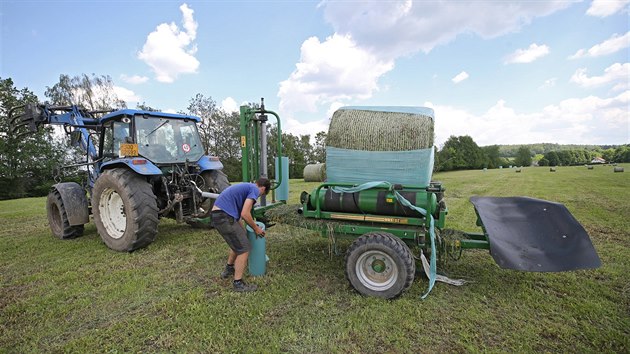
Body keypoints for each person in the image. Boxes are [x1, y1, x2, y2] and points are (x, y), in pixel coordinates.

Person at [211, 177, 271, 292]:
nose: (258, 197)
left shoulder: (246, 187)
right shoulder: (254, 189)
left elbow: (238, 215)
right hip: (224, 216)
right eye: (261, 194)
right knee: (244, 249)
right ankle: (238, 283)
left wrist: (243, 231)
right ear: (262, 188)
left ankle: (229, 269)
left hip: (218, 215)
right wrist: (256, 228)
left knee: (239, 242)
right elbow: (245, 213)